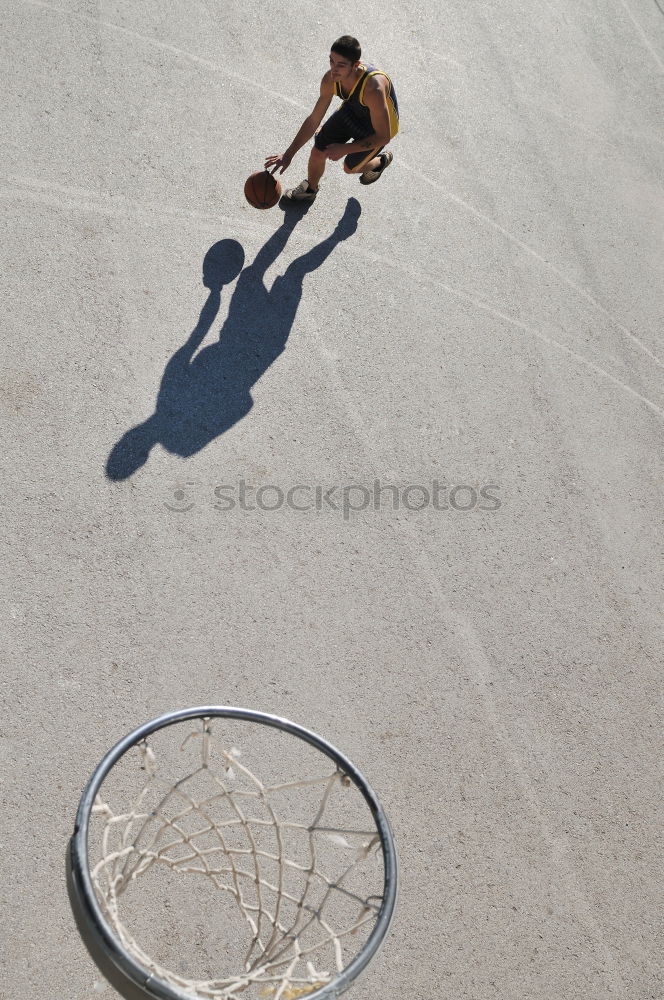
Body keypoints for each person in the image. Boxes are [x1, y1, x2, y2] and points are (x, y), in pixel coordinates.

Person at [265, 35, 399, 203]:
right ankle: (310, 189)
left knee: (349, 168)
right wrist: (288, 154)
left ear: (356, 65)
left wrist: (345, 148)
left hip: (377, 129)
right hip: (353, 110)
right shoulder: (330, 79)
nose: (334, 69)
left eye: (341, 65)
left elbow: (383, 136)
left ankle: (379, 162)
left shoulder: (373, 89)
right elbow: (314, 119)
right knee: (318, 150)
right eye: (331, 62)